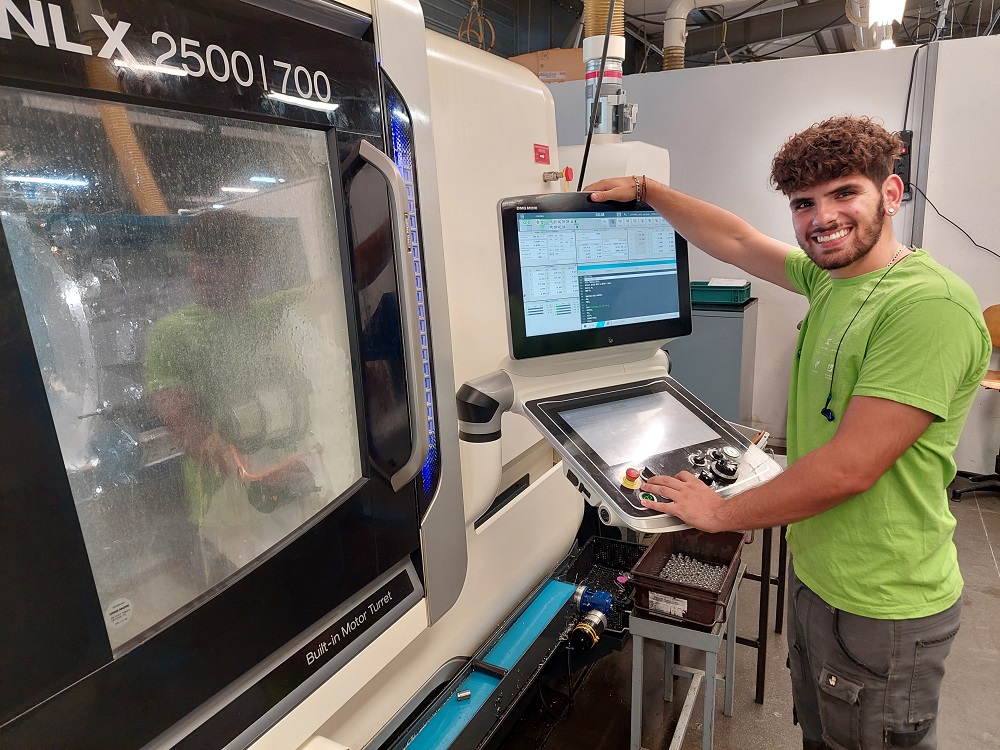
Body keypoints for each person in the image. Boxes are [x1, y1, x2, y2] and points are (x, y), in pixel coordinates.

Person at [587, 116, 990, 750]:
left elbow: (848, 469)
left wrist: (721, 512)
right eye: (805, 204)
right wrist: (647, 189)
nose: (822, 218)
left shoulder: (926, 308)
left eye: (844, 194)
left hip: (883, 604)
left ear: (891, 193)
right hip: (821, 577)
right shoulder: (832, 280)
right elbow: (738, 240)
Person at [145, 209, 351, 585]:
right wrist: (253, 474)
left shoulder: (269, 314)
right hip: (225, 512)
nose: (199, 273)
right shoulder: (171, 334)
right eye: (195, 262)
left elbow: (339, 283)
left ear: (251, 269)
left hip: (287, 491)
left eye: (218, 262)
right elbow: (185, 426)